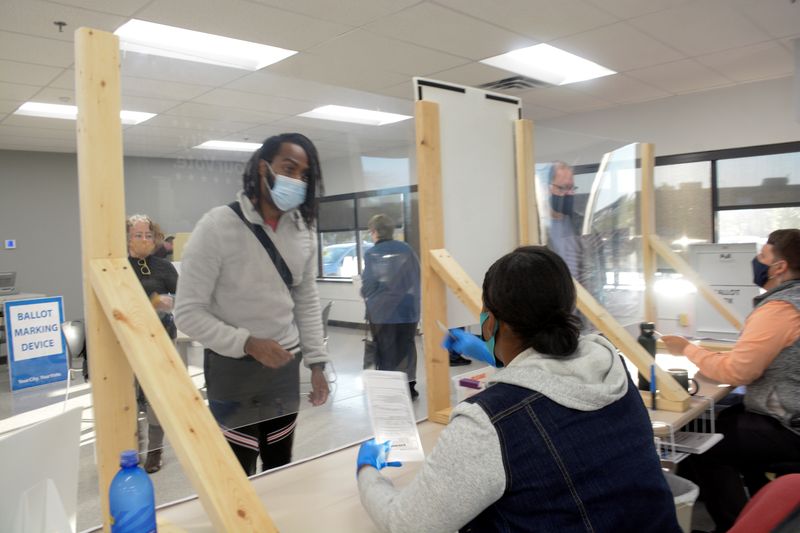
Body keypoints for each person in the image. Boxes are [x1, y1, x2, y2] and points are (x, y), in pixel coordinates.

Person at [357, 246, 680, 532]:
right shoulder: (612, 368)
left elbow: (407, 524)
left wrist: (367, 470)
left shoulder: (488, 423)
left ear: (489, 322)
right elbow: (551, 372)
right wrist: (486, 351)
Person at [174, 133, 330, 476]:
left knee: (280, 466)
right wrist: (247, 342)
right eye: (289, 168)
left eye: (304, 175)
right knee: (236, 472)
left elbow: (306, 297)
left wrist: (317, 362)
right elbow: (186, 312)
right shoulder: (216, 226)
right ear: (264, 168)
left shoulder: (304, 229)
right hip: (233, 370)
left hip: (285, 368)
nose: (297, 180)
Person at [662, 228, 800, 532]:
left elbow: (738, 372)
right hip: (788, 412)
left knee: (709, 446)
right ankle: (760, 502)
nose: (756, 261)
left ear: (779, 268)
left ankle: (738, 525)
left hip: (789, 425)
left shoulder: (781, 309)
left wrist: (687, 349)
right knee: (726, 417)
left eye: (763, 256)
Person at [127, 214, 178, 474]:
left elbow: (185, 299)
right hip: (126, 342)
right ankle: (133, 450)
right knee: (130, 401)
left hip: (161, 339)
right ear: (127, 238)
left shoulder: (164, 267)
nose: (144, 239)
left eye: (148, 235)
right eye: (138, 235)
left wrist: (168, 303)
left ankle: (155, 451)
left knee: (157, 397)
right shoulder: (118, 267)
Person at [360, 214, 421, 399]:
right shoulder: (407, 249)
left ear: (376, 232)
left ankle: (390, 389)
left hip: (382, 312)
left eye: (371, 231)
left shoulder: (372, 253)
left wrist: (366, 291)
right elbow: (416, 276)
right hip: (408, 311)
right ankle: (410, 387)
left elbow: (369, 285)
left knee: (386, 350)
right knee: (408, 347)